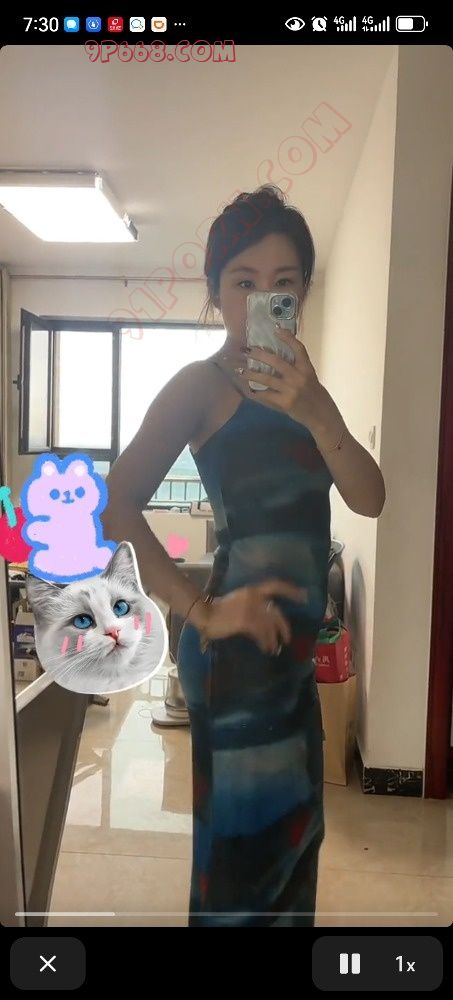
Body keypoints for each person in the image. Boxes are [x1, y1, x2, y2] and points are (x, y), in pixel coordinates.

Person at [103, 185, 385, 927]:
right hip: (236, 654)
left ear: (303, 293)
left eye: (282, 283)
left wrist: (317, 410)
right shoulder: (199, 386)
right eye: (243, 281)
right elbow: (116, 504)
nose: (263, 297)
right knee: (243, 866)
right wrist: (198, 609)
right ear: (216, 292)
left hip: (292, 659)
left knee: (295, 846)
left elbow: (370, 498)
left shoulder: (306, 391)